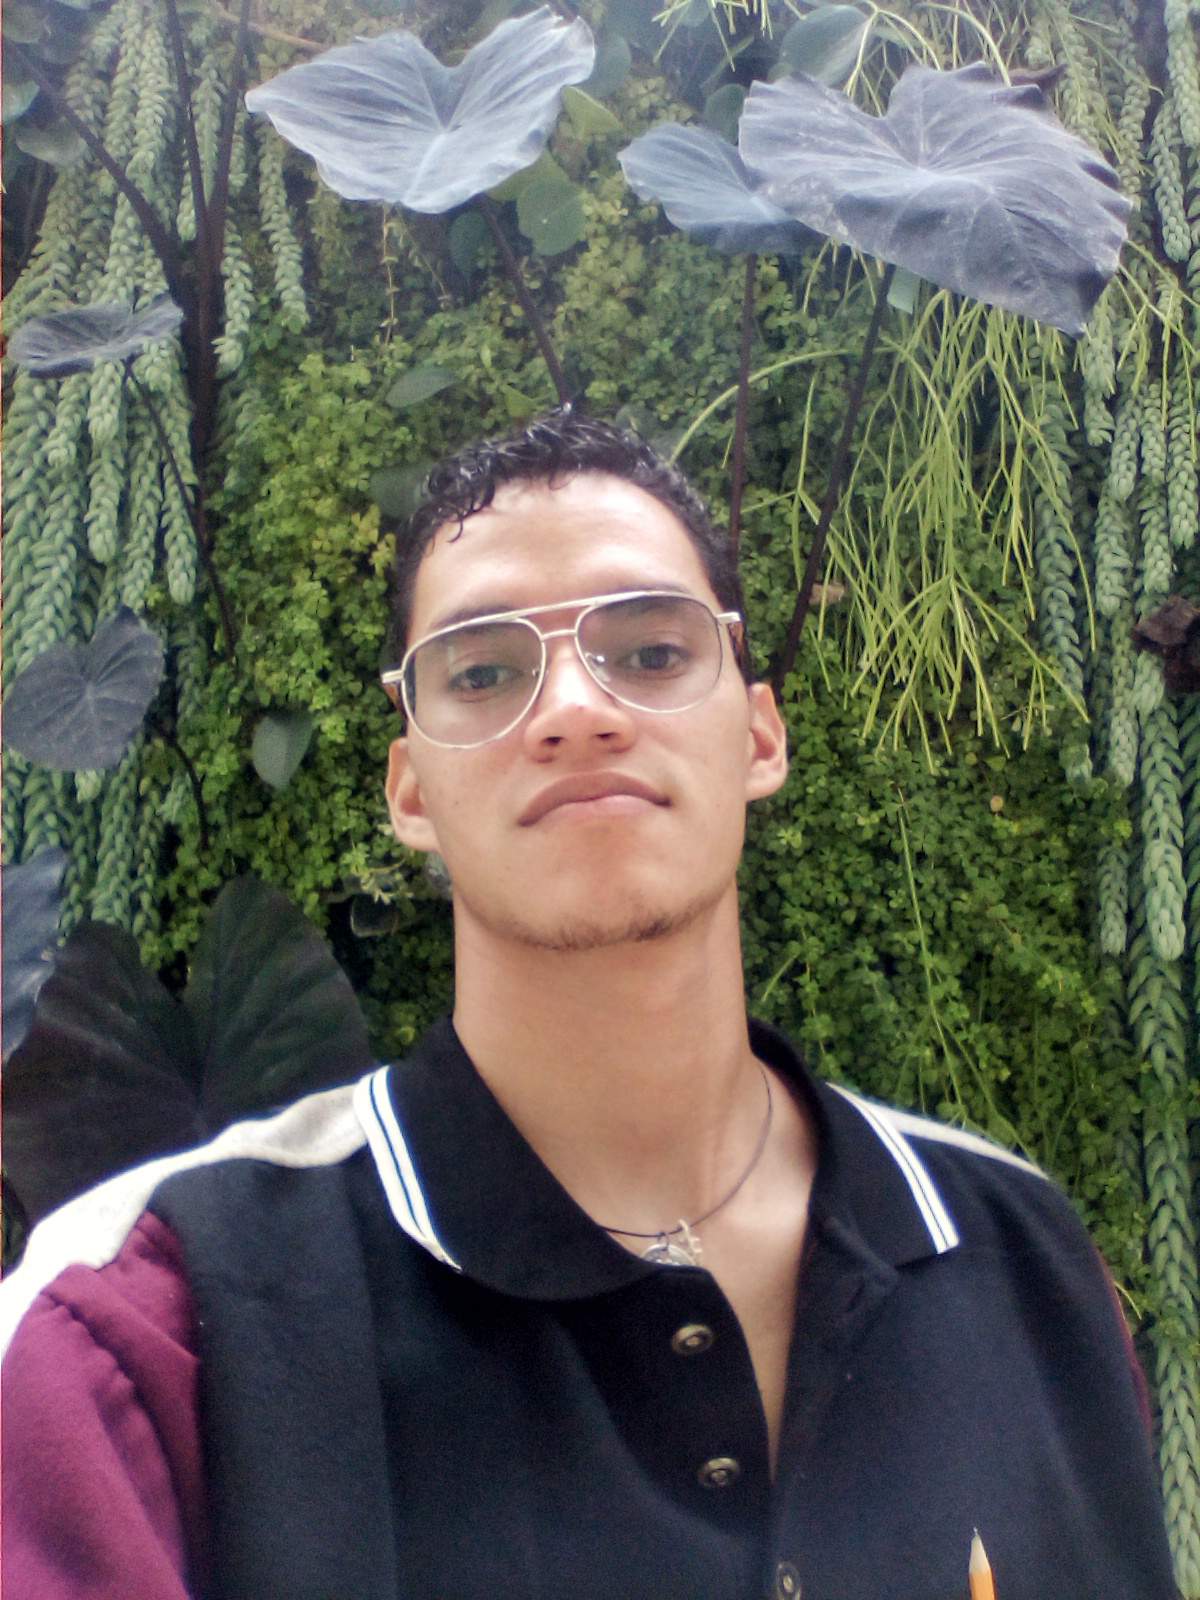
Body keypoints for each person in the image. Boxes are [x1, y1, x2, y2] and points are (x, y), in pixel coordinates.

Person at [1, 414, 1177, 1600]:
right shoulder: (153, 1323)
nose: (573, 707)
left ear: (760, 735)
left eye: (652, 650)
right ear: (410, 791)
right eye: (482, 672)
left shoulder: (1021, 1261)